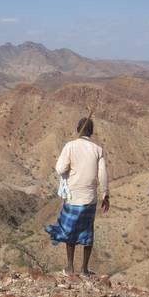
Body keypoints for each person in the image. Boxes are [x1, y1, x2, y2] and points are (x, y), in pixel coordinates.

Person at [46, 117, 110, 275]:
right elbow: (102, 174)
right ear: (92, 132)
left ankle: (70, 267)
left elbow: (60, 169)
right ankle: (85, 269)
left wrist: (70, 162)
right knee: (88, 232)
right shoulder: (98, 149)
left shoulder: (70, 146)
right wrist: (105, 195)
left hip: (73, 197)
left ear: (77, 129)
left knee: (70, 231)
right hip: (90, 198)